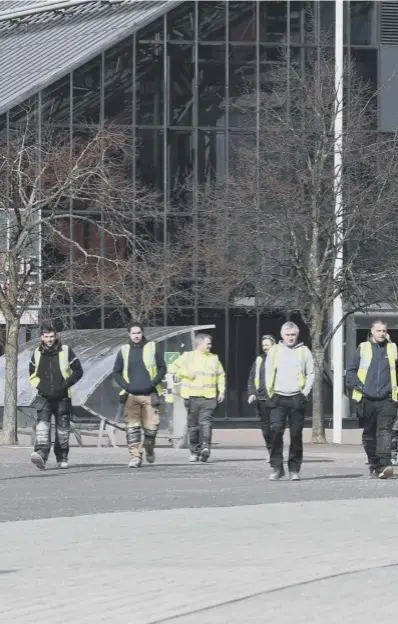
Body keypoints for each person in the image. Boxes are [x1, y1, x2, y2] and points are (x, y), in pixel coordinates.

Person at [346, 318, 397, 479]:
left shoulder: (392, 349)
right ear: (372, 332)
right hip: (366, 399)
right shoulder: (363, 349)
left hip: (387, 399)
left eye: (384, 331)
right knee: (369, 435)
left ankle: (385, 464)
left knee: (384, 431)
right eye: (378, 331)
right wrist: (360, 387)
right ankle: (375, 465)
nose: (381, 333)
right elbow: (351, 372)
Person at [29, 323, 83, 470]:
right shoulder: (36, 353)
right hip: (44, 397)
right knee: (42, 428)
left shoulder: (66, 351)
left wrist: (65, 385)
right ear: (41, 337)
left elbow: (78, 371)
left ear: (56, 336)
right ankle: (40, 455)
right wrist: (41, 387)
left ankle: (62, 457)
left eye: (52, 336)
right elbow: (32, 374)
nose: (49, 339)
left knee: (63, 431)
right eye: (46, 337)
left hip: (63, 397)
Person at [265, 321, 314, 481]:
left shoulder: (304, 351)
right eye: (288, 335)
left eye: (293, 335)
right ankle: (277, 467)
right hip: (278, 397)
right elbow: (268, 372)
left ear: (297, 335)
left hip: (296, 398)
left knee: (295, 435)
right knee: (276, 432)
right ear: (282, 335)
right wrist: (270, 392)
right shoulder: (274, 351)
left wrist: (304, 393)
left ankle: (294, 469)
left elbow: (311, 374)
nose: (291, 338)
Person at [113, 322, 166, 468]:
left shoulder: (152, 347)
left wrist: (153, 383)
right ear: (128, 334)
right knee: (132, 428)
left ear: (143, 333)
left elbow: (162, 368)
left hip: (150, 395)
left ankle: (149, 449)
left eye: (138, 333)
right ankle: (135, 457)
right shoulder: (124, 350)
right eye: (133, 333)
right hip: (131, 396)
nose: (136, 336)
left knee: (151, 429)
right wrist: (126, 386)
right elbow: (116, 372)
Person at [169, 333, 225, 463]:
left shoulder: (214, 358)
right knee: (193, 426)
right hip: (192, 397)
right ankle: (194, 451)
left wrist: (221, 390)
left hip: (209, 398)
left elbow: (221, 375)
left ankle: (205, 448)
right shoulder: (188, 357)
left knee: (206, 423)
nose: (210, 346)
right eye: (208, 343)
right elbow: (172, 368)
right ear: (199, 344)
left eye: (210, 344)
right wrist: (186, 373)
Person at [247, 334, 276, 459]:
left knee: (276, 426)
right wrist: (252, 392)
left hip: (277, 398)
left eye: (267, 345)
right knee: (265, 427)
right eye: (263, 345)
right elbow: (253, 377)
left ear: (273, 345)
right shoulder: (259, 359)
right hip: (262, 398)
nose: (264, 347)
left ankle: (276, 451)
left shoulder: (280, 359)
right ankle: (270, 450)